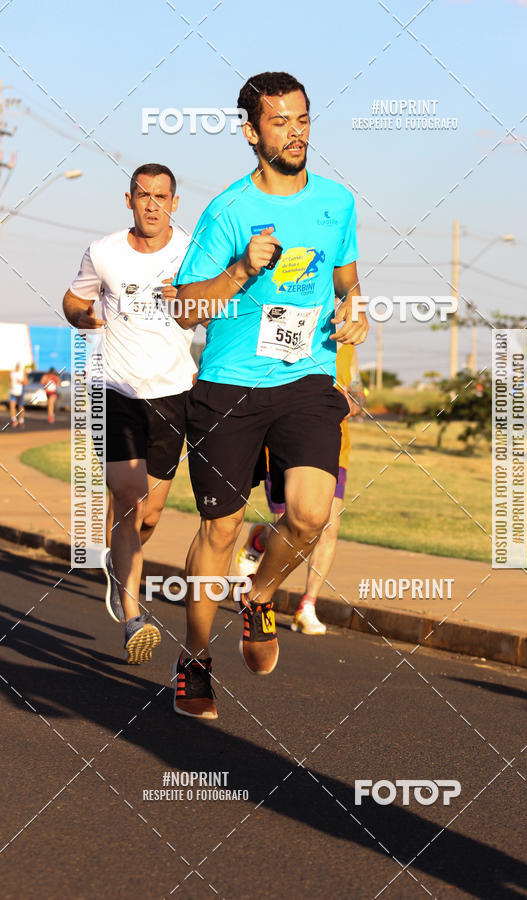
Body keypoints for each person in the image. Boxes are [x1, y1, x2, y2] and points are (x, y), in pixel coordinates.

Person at [172, 71, 368, 718]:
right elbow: (183, 308)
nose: (295, 132)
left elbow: (345, 280)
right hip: (230, 385)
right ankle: (196, 658)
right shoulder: (227, 211)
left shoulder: (337, 202)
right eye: (280, 122)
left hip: (307, 378)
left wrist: (355, 311)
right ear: (253, 132)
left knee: (312, 514)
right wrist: (240, 269)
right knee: (221, 528)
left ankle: (258, 596)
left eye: (303, 119)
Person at [62, 163, 195, 664]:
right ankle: (133, 612)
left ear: (174, 203)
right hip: (114, 389)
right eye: (143, 195)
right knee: (130, 496)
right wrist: (83, 315)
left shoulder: (191, 252)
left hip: (172, 392)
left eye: (162, 196)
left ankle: (120, 568)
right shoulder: (104, 252)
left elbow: (217, 303)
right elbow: (74, 298)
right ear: (129, 199)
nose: (153, 204)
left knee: (149, 513)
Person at [237, 345, 365, 635]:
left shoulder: (347, 345)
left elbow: (359, 393)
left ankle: (307, 606)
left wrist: (351, 402)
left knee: (328, 526)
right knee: (293, 524)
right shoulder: (294, 328)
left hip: (334, 447)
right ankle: (261, 542)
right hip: (285, 445)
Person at [9, 362, 27, 427]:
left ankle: (21, 421)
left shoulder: (22, 372)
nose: (17, 367)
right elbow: (10, 381)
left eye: (18, 366)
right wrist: (10, 383)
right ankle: (14, 420)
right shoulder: (12, 373)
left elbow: (26, 382)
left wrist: (20, 381)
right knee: (12, 406)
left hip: (20, 392)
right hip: (12, 392)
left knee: (20, 407)